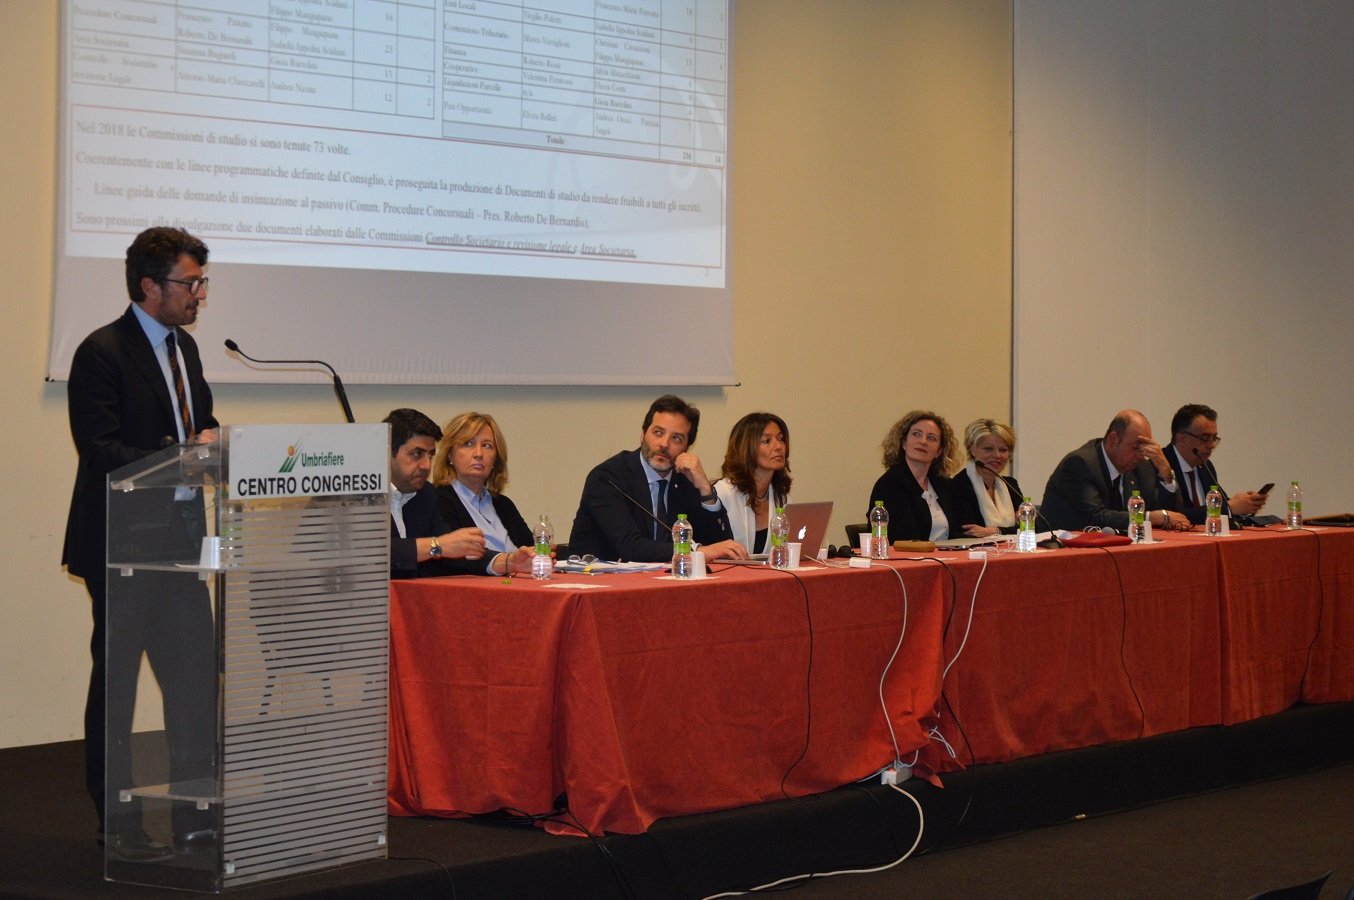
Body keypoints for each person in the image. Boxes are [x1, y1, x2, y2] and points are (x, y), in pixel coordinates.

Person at [63, 226, 218, 859]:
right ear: (150, 285)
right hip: (121, 548)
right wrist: (182, 455)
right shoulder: (101, 352)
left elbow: (201, 423)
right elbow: (101, 451)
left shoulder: (187, 350)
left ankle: (195, 817)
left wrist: (212, 442)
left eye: (202, 283)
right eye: (190, 283)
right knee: (118, 690)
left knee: (193, 686)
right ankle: (120, 825)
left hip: (181, 545)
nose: (199, 294)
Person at [568, 394, 747, 562]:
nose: (664, 444)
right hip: (597, 579)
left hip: (664, 580)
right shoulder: (608, 478)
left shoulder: (685, 480)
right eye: (658, 433)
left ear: (686, 448)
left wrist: (705, 491)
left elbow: (720, 547)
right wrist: (697, 551)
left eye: (676, 438)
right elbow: (630, 546)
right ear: (643, 434)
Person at [385, 408, 532, 577]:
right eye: (416, 454)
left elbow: (458, 551)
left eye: (430, 455)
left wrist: (508, 562)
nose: (426, 465)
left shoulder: (425, 494)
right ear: (388, 452)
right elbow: (371, 551)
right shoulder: (365, 496)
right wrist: (437, 545)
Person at [1040, 409, 1190, 533]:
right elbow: (1096, 518)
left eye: (1144, 448)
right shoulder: (1081, 464)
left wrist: (1166, 473)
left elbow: (1171, 516)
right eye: (1136, 447)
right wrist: (1150, 517)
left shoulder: (1142, 468)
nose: (1141, 455)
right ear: (1113, 440)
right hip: (1063, 550)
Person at [431, 411, 541, 574]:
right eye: (468, 444)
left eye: (487, 445)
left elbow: (529, 550)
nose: (478, 454)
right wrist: (507, 562)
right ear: (450, 455)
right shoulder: (437, 500)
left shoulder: (503, 504)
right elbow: (455, 558)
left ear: (495, 459)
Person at [868, 410, 972, 542]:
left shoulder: (943, 484)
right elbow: (901, 539)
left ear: (939, 451)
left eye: (931, 438)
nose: (923, 441)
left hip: (944, 554)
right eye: (916, 434)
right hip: (908, 555)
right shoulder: (891, 484)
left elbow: (959, 529)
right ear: (903, 443)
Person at [1165, 403, 1269, 524]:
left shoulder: (1206, 466)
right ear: (1182, 439)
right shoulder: (1160, 465)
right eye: (1205, 438)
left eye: (1214, 438)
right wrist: (1229, 508)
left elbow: (1221, 504)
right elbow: (1171, 514)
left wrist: (1245, 505)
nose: (1212, 445)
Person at [714, 412, 792, 553]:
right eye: (767, 441)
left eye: (781, 439)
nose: (778, 446)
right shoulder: (722, 493)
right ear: (746, 448)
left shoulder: (782, 499)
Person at [952, 419, 1025, 537]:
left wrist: (995, 531)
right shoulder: (958, 485)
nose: (997, 455)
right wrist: (1013, 529)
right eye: (988, 449)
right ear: (973, 450)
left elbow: (1032, 527)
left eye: (1003, 450)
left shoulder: (1011, 485)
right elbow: (970, 533)